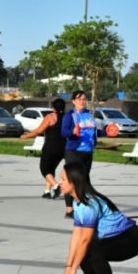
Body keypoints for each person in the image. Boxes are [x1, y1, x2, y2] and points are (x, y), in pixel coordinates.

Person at [62, 162, 138, 274]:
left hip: (132, 238)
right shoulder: (78, 202)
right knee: (86, 250)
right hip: (116, 236)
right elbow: (77, 236)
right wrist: (69, 265)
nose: (59, 183)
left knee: (96, 252)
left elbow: (84, 240)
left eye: (63, 179)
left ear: (73, 181)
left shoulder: (89, 204)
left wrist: (73, 269)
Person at [61, 90, 98, 219]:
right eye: (79, 99)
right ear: (73, 101)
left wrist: (109, 131)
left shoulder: (89, 114)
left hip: (88, 152)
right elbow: (64, 132)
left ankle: (83, 206)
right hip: (74, 152)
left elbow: (94, 131)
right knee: (71, 180)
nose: (82, 101)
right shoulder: (70, 115)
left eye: (84, 99)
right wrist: (73, 132)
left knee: (85, 180)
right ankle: (69, 209)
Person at [21, 98, 66, 199]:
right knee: (51, 169)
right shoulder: (66, 117)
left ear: (53, 107)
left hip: (51, 147)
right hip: (63, 147)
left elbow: (39, 131)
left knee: (44, 169)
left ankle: (56, 186)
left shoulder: (50, 117)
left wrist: (25, 136)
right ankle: (47, 192)